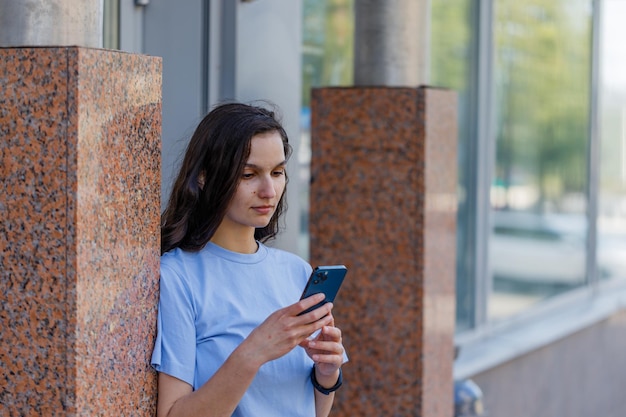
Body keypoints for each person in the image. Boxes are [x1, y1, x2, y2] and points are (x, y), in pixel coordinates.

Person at [151, 102, 347, 417]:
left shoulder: (296, 271)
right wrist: (254, 352)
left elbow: (314, 411)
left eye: (278, 172)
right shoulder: (178, 275)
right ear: (203, 176)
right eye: (249, 174)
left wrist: (326, 374)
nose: (269, 190)